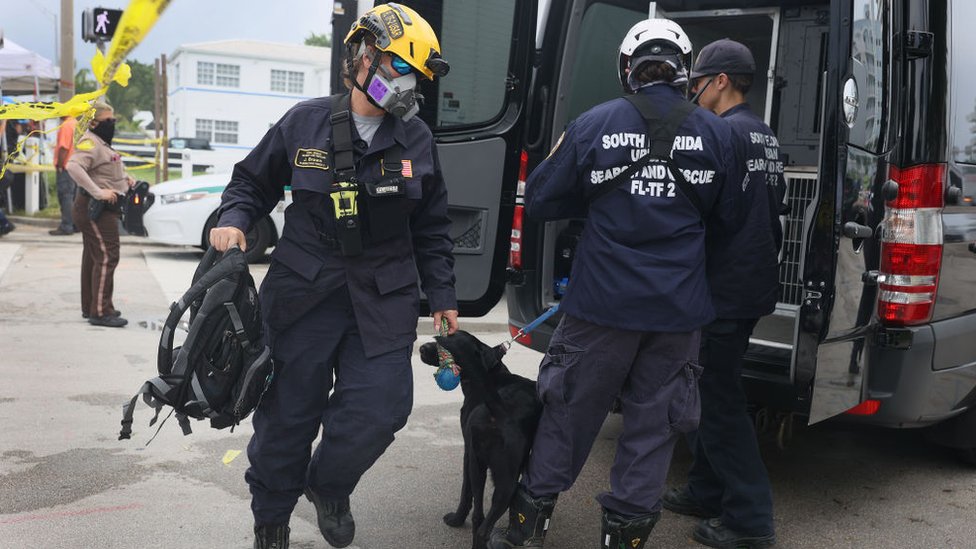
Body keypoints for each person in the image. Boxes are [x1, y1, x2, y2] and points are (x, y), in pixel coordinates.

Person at [208, 4, 457, 548]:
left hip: (384, 292)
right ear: (363, 58)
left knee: (382, 409)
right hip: (302, 292)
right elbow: (251, 184)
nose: (406, 84)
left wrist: (443, 295)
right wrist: (233, 223)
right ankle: (271, 518)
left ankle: (329, 485)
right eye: (397, 69)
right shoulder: (305, 121)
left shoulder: (417, 141)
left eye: (412, 76)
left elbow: (433, 228)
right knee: (286, 418)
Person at [489, 18, 744, 549]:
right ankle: (624, 539)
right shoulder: (720, 134)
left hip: (599, 309)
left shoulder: (594, 124)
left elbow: (539, 199)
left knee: (569, 414)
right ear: (685, 72)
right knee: (653, 431)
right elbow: (731, 222)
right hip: (677, 316)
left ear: (627, 69)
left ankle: (523, 533)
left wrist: (599, 195)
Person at [662, 39, 785, 549]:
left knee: (718, 405)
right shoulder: (763, 135)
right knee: (710, 391)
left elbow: (707, 215)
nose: (691, 92)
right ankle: (707, 489)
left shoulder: (719, 134)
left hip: (723, 292)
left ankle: (750, 520)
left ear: (720, 82)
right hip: (751, 286)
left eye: (695, 83)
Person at [65, 102, 132, 328]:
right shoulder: (90, 142)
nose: (112, 124)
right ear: (94, 122)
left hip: (99, 209)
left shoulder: (99, 142)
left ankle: (93, 306)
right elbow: (73, 167)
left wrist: (126, 180)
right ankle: (101, 312)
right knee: (106, 256)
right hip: (95, 209)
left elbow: (105, 168)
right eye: (108, 121)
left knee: (94, 257)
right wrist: (98, 192)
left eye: (113, 120)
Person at [51, 115, 79, 236]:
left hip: (66, 166)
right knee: (74, 197)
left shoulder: (66, 126)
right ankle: (75, 225)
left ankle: (66, 226)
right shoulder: (77, 124)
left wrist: (61, 165)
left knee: (66, 196)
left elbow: (64, 147)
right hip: (76, 166)